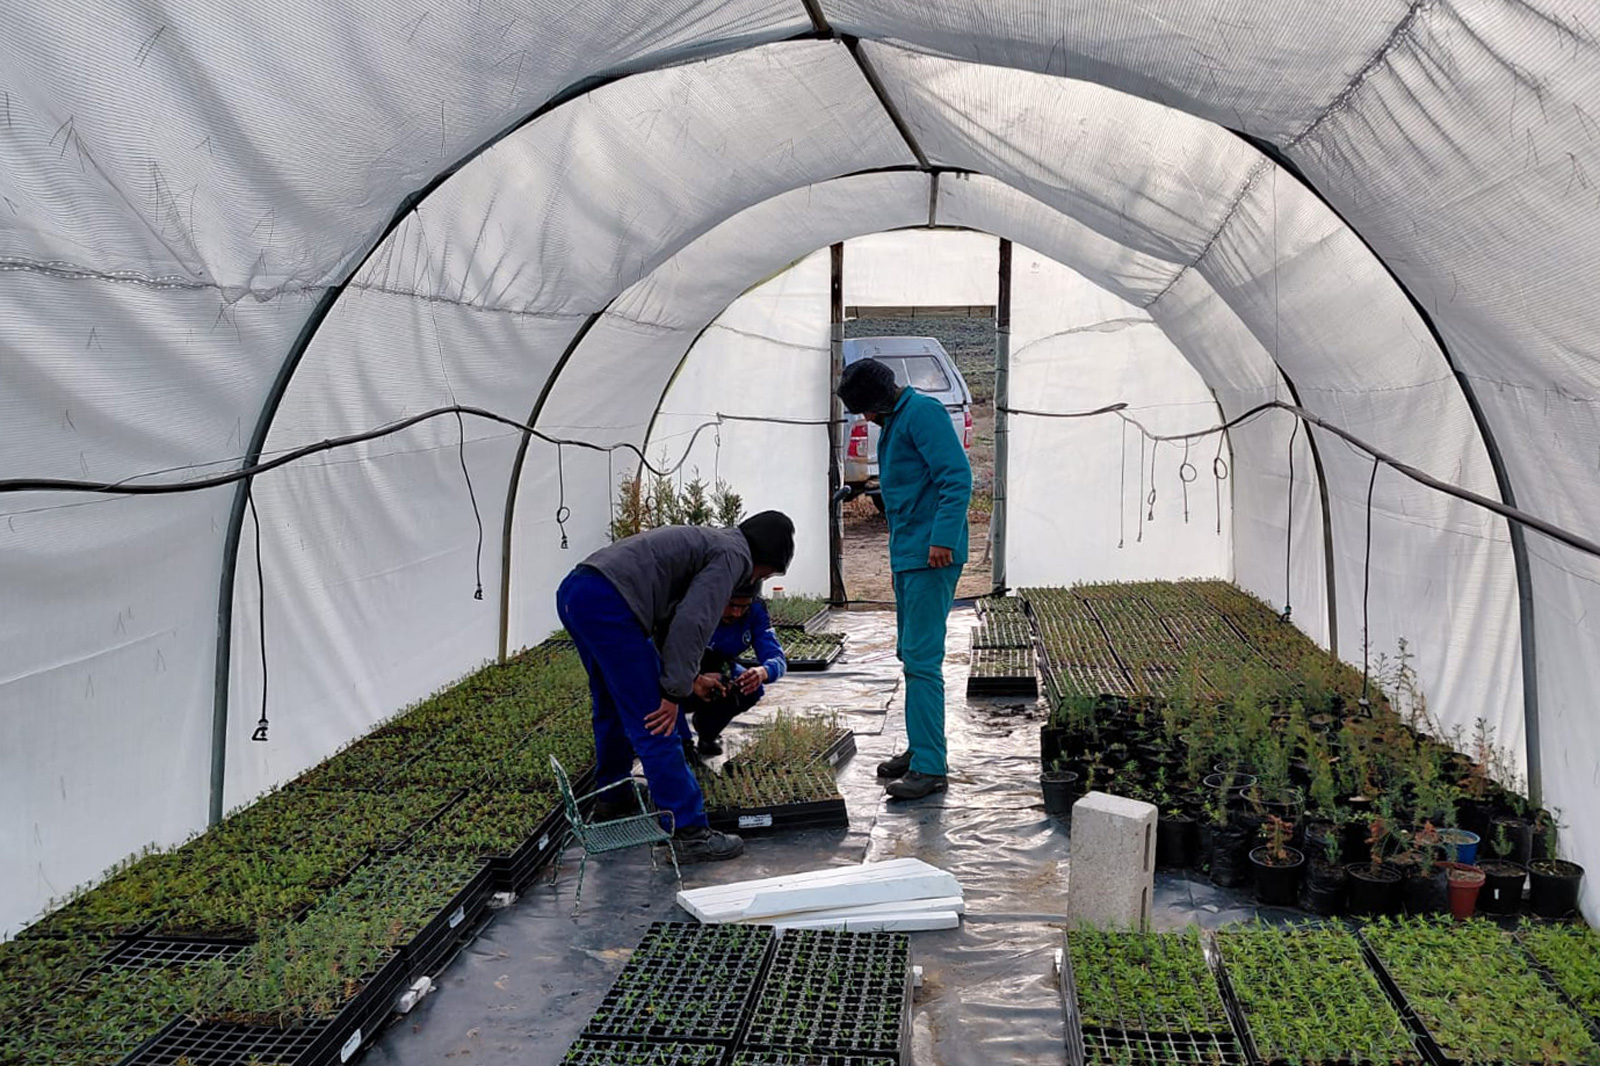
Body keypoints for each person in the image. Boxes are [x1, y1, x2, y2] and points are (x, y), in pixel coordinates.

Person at [554, 511, 796, 862]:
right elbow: (694, 621)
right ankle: (688, 832)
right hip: (611, 602)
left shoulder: (716, 543)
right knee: (655, 719)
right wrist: (672, 694)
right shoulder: (735, 556)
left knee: (610, 702)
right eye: (769, 573)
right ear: (765, 559)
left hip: (579, 590)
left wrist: (689, 679)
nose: (760, 580)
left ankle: (612, 796)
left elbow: (670, 621)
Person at [837, 357, 971, 799]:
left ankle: (931, 767)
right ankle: (919, 749)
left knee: (922, 659)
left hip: (931, 556)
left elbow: (956, 479)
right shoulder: (899, 419)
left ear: (879, 400)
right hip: (910, 555)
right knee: (910, 654)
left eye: (865, 410)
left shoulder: (923, 414)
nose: (864, 419)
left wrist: (943, 539)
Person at [677, 582, 788, 759]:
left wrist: (763, 672)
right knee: (668, 694)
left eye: (743, 607)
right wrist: (695, 679)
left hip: (720, 665)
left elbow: (776, 657)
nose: (736, 613)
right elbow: (663, 659)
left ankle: (708, 732)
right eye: (732, 605)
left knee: (747, 688)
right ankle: (682, 744)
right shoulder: (694, 609)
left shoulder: (755, 612)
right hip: (680, 668)